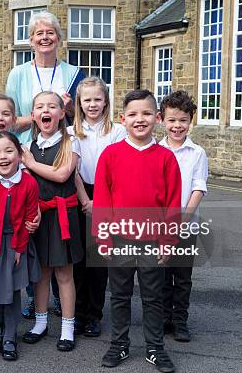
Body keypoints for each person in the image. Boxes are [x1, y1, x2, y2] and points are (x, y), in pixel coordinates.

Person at [93, 90, 181, 372]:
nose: (139, 119)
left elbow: (172, 203)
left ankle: (155, 348)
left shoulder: (166, 158)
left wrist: (168, 242)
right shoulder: (111, 154)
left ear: (156, 118)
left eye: (145, 114)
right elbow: (104, 199)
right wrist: (103, 236)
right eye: (132, 114)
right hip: (119, 238)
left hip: (152, 240)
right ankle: (119, 345)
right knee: (119, 295)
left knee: (153, 297)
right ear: (123, 119)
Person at [21, 91, 84, 352]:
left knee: (64, 275)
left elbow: (62, 175)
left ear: (61, 114)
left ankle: (68, 328)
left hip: (62, 217)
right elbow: (26, 185)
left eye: (52, 106)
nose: (45, 110)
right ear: (34, 115)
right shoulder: (28, 145)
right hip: (37, 216)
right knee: (41, 274)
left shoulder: (72, 142)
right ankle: (40, 322)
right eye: (39, 107)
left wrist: (31, 163)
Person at [0, 131, 42, 361]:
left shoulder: (29, 183)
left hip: (15, 245)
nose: (3, 157)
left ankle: (10, 338)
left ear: (20, 155)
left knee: (13, 293)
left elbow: (30, 218)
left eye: (9, 151)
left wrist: (19, 248)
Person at [67, 77, 126, 338]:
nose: (92, 104)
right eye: (87, 100)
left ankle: (94, 315)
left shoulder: (117, 132)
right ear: (79, 103)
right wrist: (85, 201)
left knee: (99, 261)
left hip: (108, 195)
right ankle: (78, 315)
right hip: (80, 195)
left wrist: (100, 203)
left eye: (97, 99)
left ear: (106, 101)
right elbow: (73, 171)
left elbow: (119, 172)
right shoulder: (71, 132)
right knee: (78, 259)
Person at [159, 90, 208, 343]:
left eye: (183, 120)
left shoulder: (197, 153)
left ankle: (180, 321)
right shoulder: (155, 150)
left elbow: (198, 188)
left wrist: (183, 220)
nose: (177, 126)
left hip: (186, 226)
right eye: (172, 120)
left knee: (183, 277)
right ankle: (164, 317)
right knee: (162, 274)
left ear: (191, 121)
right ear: (162, 120)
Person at [6, 11, 85, 145]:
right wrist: (41, 116)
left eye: (50, 32)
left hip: (66, 149)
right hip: (27, 149)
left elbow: (86, 119)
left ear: (58, 38)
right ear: (31, 40)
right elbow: (9, 121)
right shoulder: (17, 74)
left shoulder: (74, 73)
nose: (45, 37)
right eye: (39, 33)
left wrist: (70, 109)